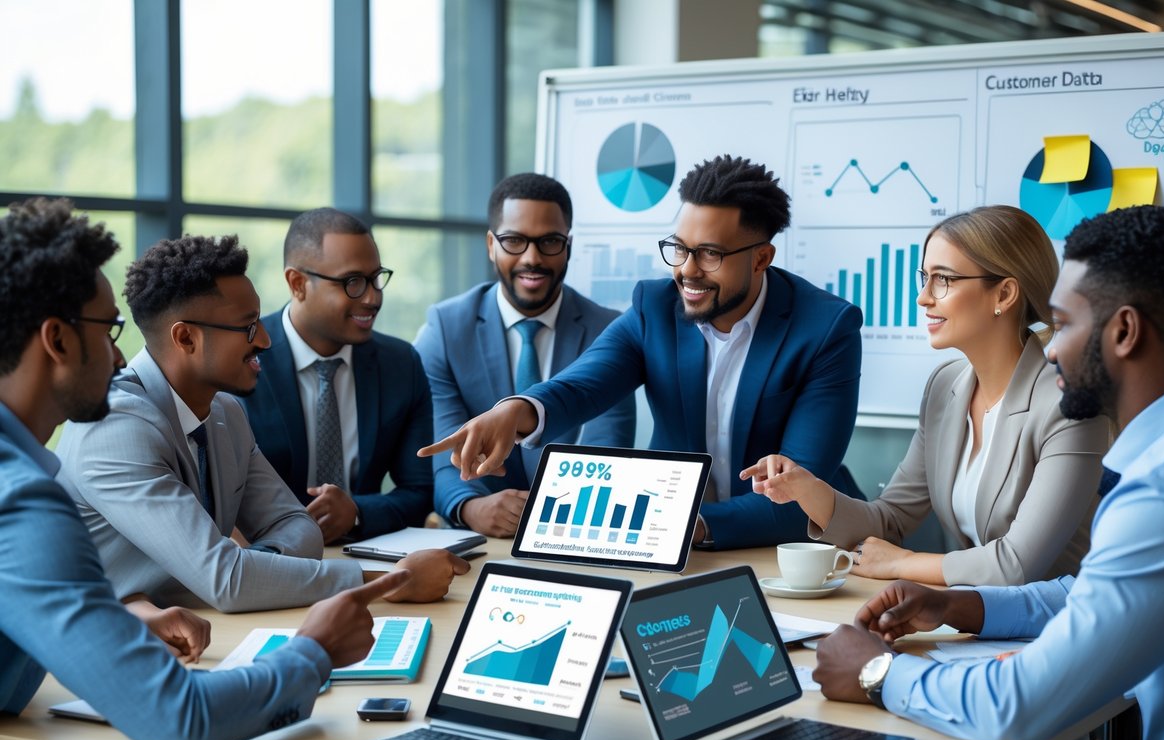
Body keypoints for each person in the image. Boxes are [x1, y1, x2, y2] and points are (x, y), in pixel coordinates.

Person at [0, 196, 431, 740]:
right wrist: (318, 649)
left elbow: (285, 532)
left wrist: (118, 618)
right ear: (56, 341)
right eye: (109, 331)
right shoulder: (24, 501)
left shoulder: (222, 413)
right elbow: (185, 721)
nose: (120, 353)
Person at [814, 205, 1164, 740]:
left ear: (1124, 331)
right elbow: (1092, 592)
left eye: (1060, 325)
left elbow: (1020, 707)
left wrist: (877, 670)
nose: (1049, 348)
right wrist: (961, 606)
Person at [421, 155, 863, 550]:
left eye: (709, 254)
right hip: (670, 549)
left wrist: (690, 526)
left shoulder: (826, 329)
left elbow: (803, 491)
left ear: (762, 258)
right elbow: (581, 386)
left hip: (793, 549)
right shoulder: (654, 309)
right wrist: (515, 411)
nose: (686, 271)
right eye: (679, 249)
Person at [56, 233, 468, 613]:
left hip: (198, 628)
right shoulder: (114, 426)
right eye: (248, 327)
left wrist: (251, 571)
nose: (266, 340)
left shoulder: (225, 413)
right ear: (186, 339)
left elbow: (297, 527)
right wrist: (389, 582)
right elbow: (229, 581)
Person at [742, 206, 1108, 586]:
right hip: (983, 620)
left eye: (943, 280)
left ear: (1004, 293)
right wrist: (807, 489)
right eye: (924, 278)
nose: (923, 298)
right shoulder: (945, 387)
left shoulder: (1068, 404)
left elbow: (1015, 565)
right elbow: (891, 519)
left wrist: (902, 564)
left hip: (1065, 622)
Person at [414, 173, 635, 538]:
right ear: (490, 245)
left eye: (549, 242)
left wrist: (547, 514)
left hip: (575, 533)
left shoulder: (609, 330)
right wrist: (471, 508)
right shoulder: (445, 329)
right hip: (483, 540)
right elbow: (447, 454)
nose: (532, 258)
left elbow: (606, 453)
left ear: (568, 246)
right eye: (514, 241)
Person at [241, 208, 432, 543]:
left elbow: (421, 490)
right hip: (264, 560)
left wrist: (356, 512)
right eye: (353, 282)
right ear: (297, 283)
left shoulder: (401, 364)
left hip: (368, 552)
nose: (373, 298)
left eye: (376, 278)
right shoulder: (243, 357)